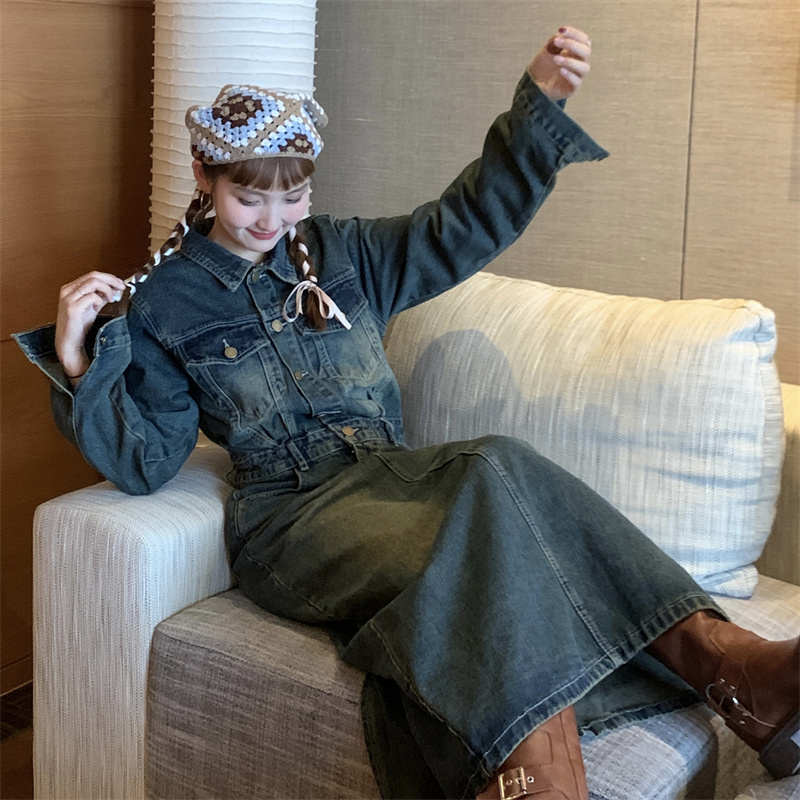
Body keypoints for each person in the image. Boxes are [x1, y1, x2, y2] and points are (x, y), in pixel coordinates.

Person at [14, 26, 799, 800]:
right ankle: (716, 681)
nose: (272, 220)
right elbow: (146, 462)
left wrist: (538, 106)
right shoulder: (162, 303)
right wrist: (80, 358)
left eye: (292, 196)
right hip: (292, 516)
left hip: (395, 478)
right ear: (203, 176)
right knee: (487, 480)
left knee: (495, 482)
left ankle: (647, 716)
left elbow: (466, 223)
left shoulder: (345, 254)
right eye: (248, 197)